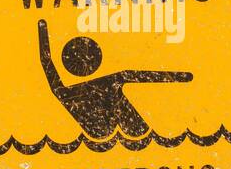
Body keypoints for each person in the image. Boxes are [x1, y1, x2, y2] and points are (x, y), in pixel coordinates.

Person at [37, 19, 191, 139]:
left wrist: (43, 33)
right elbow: (135, 75)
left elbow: (46, 62)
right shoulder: (108, 81)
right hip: (135, 137)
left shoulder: (65, 93)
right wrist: (180, 77)